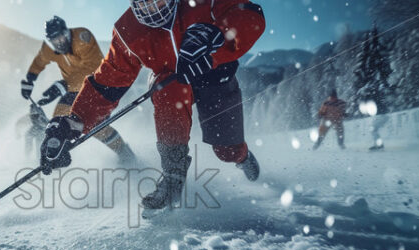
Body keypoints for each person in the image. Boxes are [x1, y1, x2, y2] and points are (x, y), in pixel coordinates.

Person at [38, 0, 265, 212]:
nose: (155, 10)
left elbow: (250, 15)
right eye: (145, 4)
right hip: (170, 80)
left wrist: (216, 33)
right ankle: (173, 175)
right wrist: (73, 122)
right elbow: (109, 81)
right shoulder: (128, 30)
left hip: (215, 77)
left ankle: (242, 157)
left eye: (159, 1)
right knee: (165, 91)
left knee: (226, 151)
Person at [21, 16, 136, 163]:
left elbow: (93, 67)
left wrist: (63, 84)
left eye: (61, 37)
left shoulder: (82, 37)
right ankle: (56, 156)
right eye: (54, 40)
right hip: (72, 90)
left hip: (96, 88)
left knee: (95, 127)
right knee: (58, 122)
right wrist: (29, 81)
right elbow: (39, 61)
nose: (59, 43)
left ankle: (124, 153)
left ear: (67, 32)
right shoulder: (50, 48)